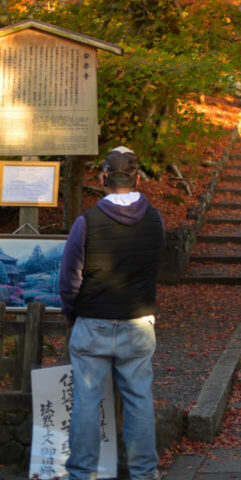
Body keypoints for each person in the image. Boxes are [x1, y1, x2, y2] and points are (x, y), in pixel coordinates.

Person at [59, 145, 165, 480]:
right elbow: (154, 264)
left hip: (93, 321)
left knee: (87, 402)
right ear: (137, 180)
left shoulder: (86, 221)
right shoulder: (155, 219)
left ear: (103, 177)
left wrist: (73, 315)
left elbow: (69, 280)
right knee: (139, 400)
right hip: (139, 320)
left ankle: (82, 474)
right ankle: (144, 473)